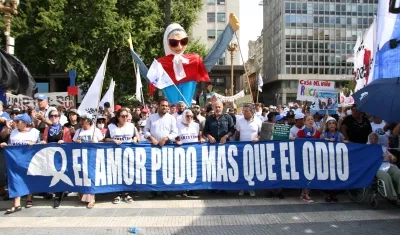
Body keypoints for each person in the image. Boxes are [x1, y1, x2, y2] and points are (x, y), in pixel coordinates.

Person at [0, 113, 40, 214]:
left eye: (18, 121)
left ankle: (28, 198)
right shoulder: (13, 132)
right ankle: (16, 204)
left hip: (29, 162)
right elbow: (10, 145)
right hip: (15, 162)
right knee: (14, 181)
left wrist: (35, 144)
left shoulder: (34, 132)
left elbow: (41, 145)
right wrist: (5, 145)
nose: (16, 123)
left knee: (28, 179)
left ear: (25, 123)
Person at [144, 98, 178, 199]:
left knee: (165, 169)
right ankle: (153, 191)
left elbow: (175, 132)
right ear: (158, 106)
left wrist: (166, 138)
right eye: (163, 105)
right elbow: (146, 130)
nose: (165, 108)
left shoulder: (171, 118)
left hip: (166, 147)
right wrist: (151, 138)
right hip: (153, 147)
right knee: (152, 169)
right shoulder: (151, 117)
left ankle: (165, 191)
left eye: (166, 106)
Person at [105, 108, 139, 204]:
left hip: (128, 155)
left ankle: (127, 193)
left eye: (126, 116)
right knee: (117, 174)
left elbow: (136, 137)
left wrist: (135, 138)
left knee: (127, 174)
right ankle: (118, 193)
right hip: (115, 155)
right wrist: (113, 140)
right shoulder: (111, 127)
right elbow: (105, 139)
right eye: (122, 116)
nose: (125, 118)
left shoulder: (131, 126)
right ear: (118, 117)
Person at [41, 109, 72, 208]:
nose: (54, 118)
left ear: (59, 117)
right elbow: (45, 140)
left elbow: (70, 143)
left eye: (56, 116)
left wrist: (64, 141)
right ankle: (52, 191)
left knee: (59, 174)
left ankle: (58, 196)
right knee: (51, 173)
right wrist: (43, 142)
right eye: (52, 116)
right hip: (50, 155)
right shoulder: (47, 129)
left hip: (61, 156)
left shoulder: (65, 129)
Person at [72, 112, 104, 209]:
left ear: (89, 121)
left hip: (92, 158)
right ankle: (83, 195)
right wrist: (76, 142)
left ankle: (92, 198)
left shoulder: (96, 131)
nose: (81, 122)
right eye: (80, 119)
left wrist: (96, 142)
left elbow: (102, 142)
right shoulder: (78, 131)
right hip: (81, 158)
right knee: (82, 176)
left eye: (83, 120)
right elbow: (73, 142)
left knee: (91, 176)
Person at [235, 104, 262, 197]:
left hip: (253, 149)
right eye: (243, 111)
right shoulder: (239, 121)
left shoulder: (258, 121)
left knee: (252, 169)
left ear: (252, 112)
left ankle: (251, 188)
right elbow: (237, 134)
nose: (244, 112)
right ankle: (242, 188)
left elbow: (261, 134)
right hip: (242, 149)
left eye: (246, 111)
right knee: (242, 169)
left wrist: (258, 138)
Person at [368, 133, 400, 205]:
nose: (374, 140)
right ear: (369, 140)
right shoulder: (366, 149)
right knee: (386, 176)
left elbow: (394, 158)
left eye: (375, 139)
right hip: (376, 167)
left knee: (398, 173)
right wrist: (379, 157)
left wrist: (391, 157)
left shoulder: (382, 148)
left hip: (386, 165)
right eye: (372, 139)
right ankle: (393, 197)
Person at [320, 117, 346, 202]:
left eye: (333, 123)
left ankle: (334, 194)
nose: (332, 125)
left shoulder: (340, 135)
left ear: (336, 125)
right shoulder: (324, 135)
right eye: (330, 123)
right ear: (327, 126)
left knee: (336, 176)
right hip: (327, 160)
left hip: (337, 160)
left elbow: (344, 143)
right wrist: (326, 140)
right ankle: (328, 193)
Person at [296, 114, 321, 203]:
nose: (310, 121)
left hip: (314, 157)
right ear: (305, 122)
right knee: (305, 175)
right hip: (303, 157)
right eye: (308, 119)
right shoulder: (300, 132)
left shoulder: (317, 132)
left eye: (312, 119)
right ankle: (305, 193)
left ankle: (305, 192)